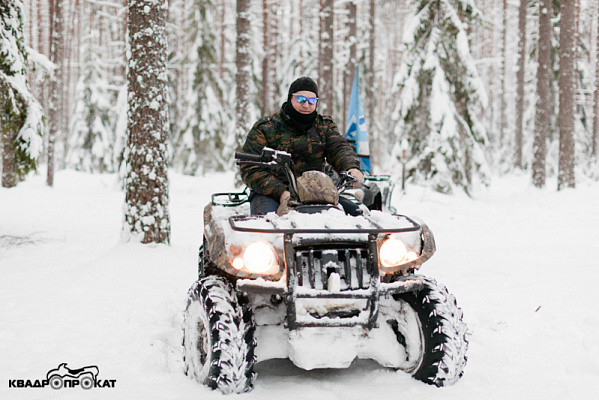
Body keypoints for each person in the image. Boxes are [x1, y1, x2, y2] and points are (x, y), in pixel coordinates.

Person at [239, 76, 365, 215]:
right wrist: (281, 192)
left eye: (312, 101)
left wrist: (351, 167)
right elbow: (250, 168)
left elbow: (339, 147)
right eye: (300, 99)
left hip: (316, 192)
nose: (306, 105)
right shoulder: (265, 128)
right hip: (272, 193)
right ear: (290, 98)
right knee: (266, 225)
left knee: (358, 216)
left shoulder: (324, 126)